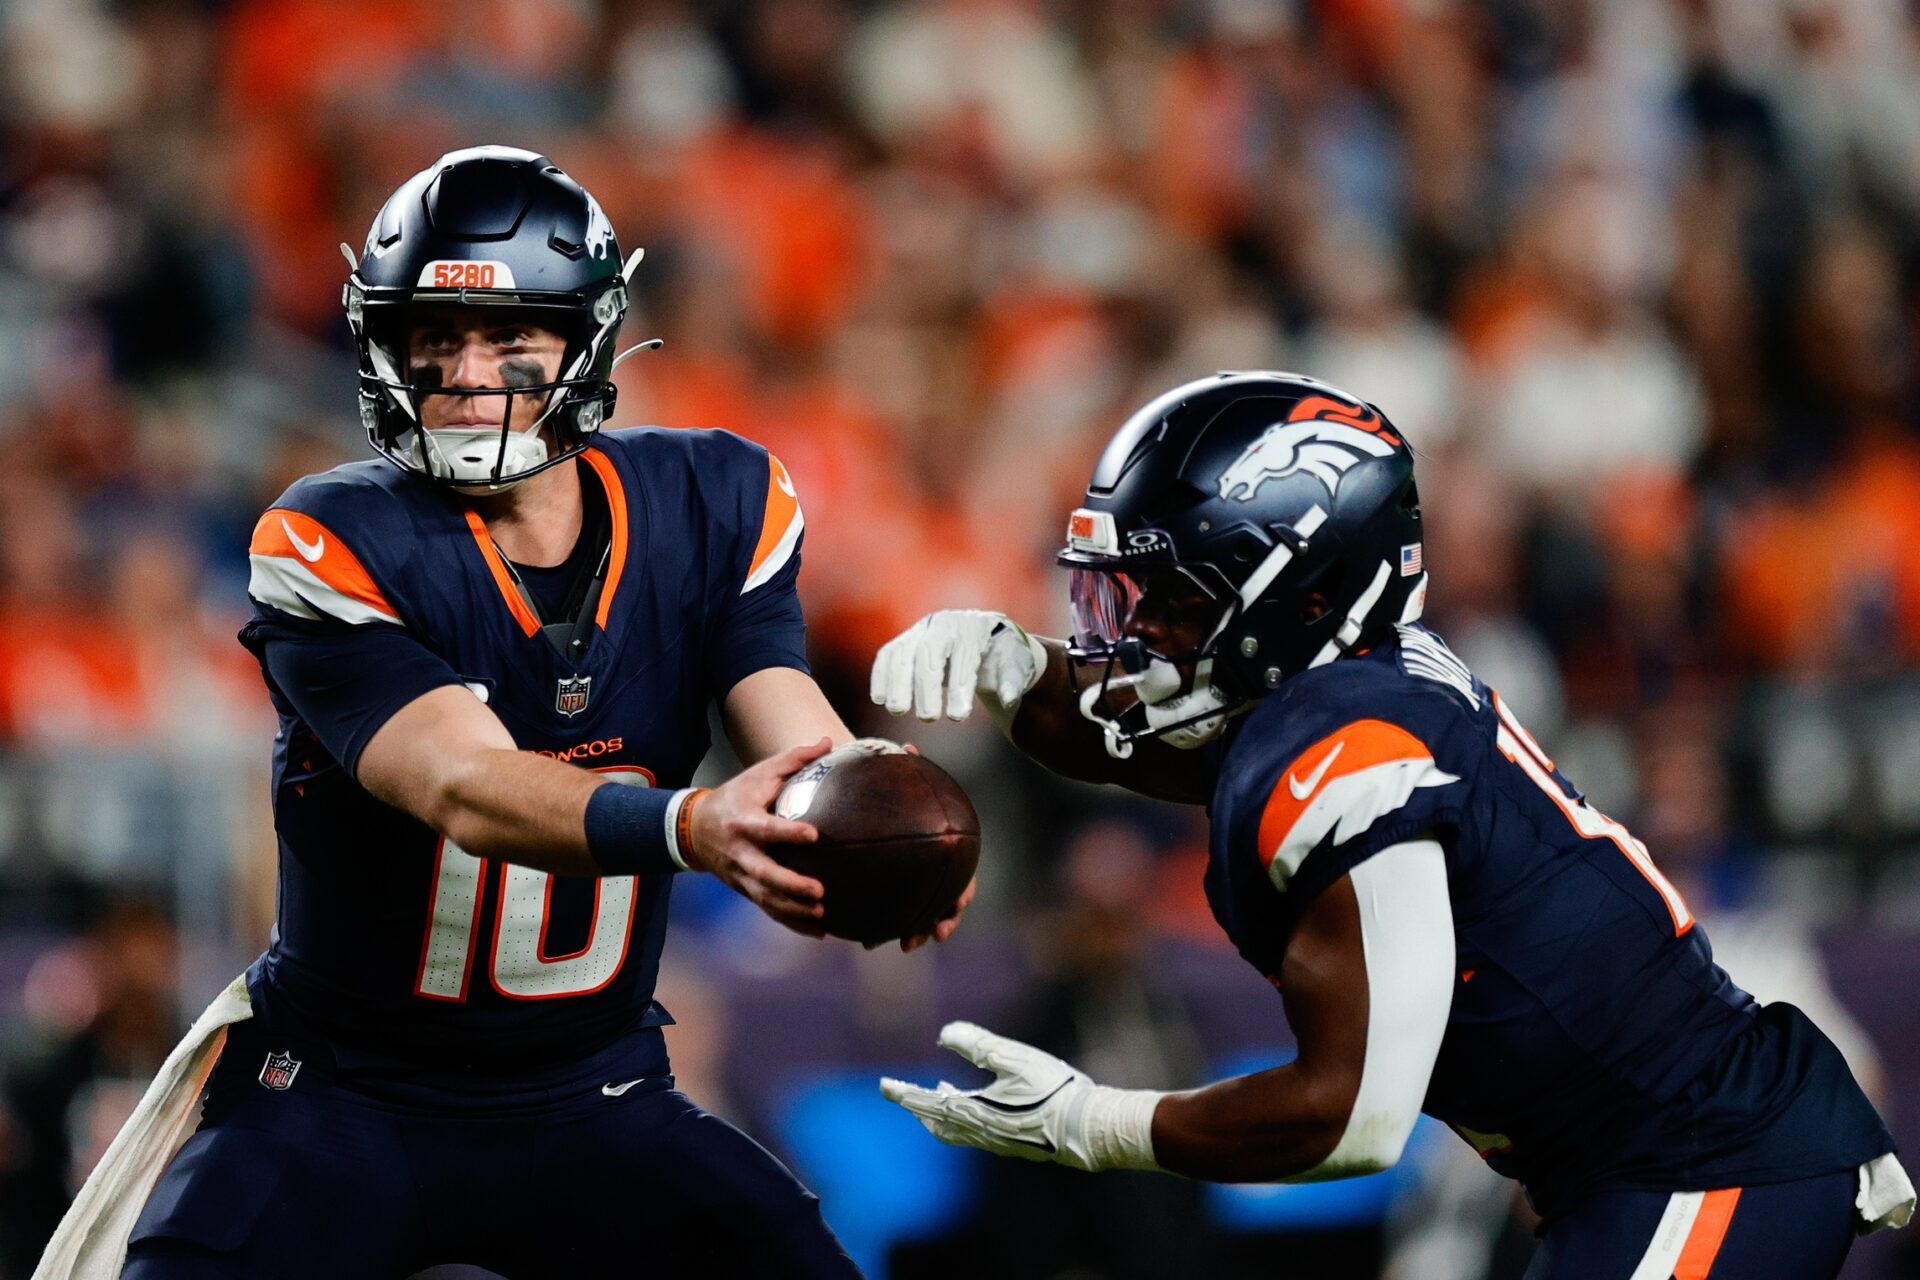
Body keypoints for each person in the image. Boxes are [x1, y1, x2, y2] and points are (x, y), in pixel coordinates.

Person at [51, 145, 969, 1280]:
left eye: (508, 336)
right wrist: (693, 825)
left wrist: (879, 818)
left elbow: (795, 729)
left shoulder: (714, 501)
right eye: (433, 338)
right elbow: (465, 783)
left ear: (588, 341)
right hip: (339, 1098)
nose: (464, 371)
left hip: (593, 1093)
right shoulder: (330, 536)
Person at [871, 371, 1913, 1278]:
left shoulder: (1350, 753)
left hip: (1708, 1158)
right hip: (1639, 1165)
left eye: (1175, 602)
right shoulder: (1334, 688)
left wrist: (1092, 1123)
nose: (1136, 632)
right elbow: (1140, 738)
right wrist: (1015, 667)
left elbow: (1352, 1117)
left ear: (1306, 593)